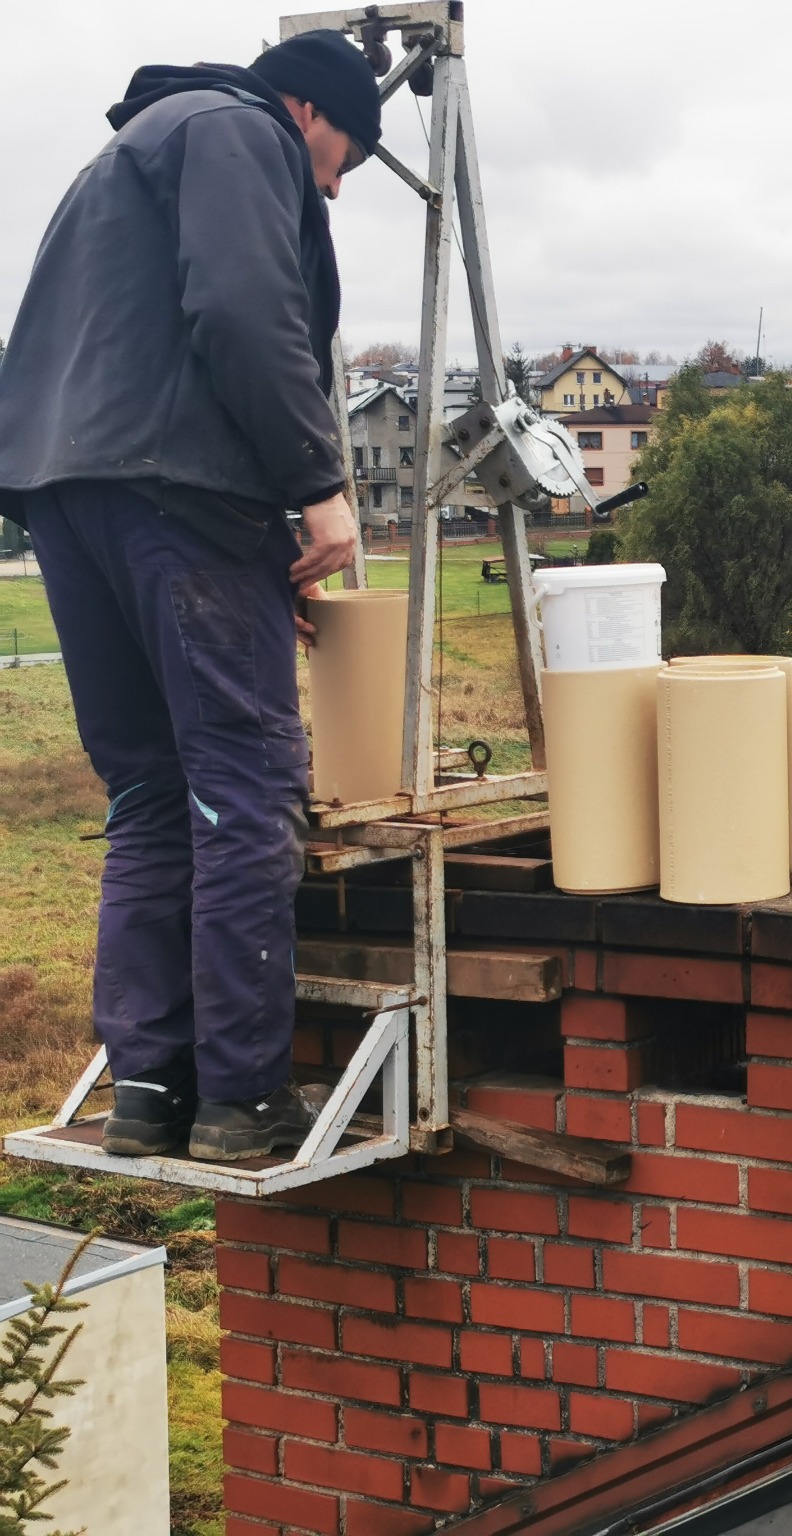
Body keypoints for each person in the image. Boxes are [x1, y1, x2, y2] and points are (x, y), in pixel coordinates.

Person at [0, 31, 382, 1161]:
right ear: (308, 110)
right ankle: (246, 1101)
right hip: (175, 497)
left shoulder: (124, 156)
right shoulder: (237, 129)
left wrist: (245, 564)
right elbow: (241, 308)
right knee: (247, 784)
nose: (329, 187)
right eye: (342, 162)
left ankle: (151, 1090)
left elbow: (144, 348)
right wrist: (317, 489)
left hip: (71, 501)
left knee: (153, 793)